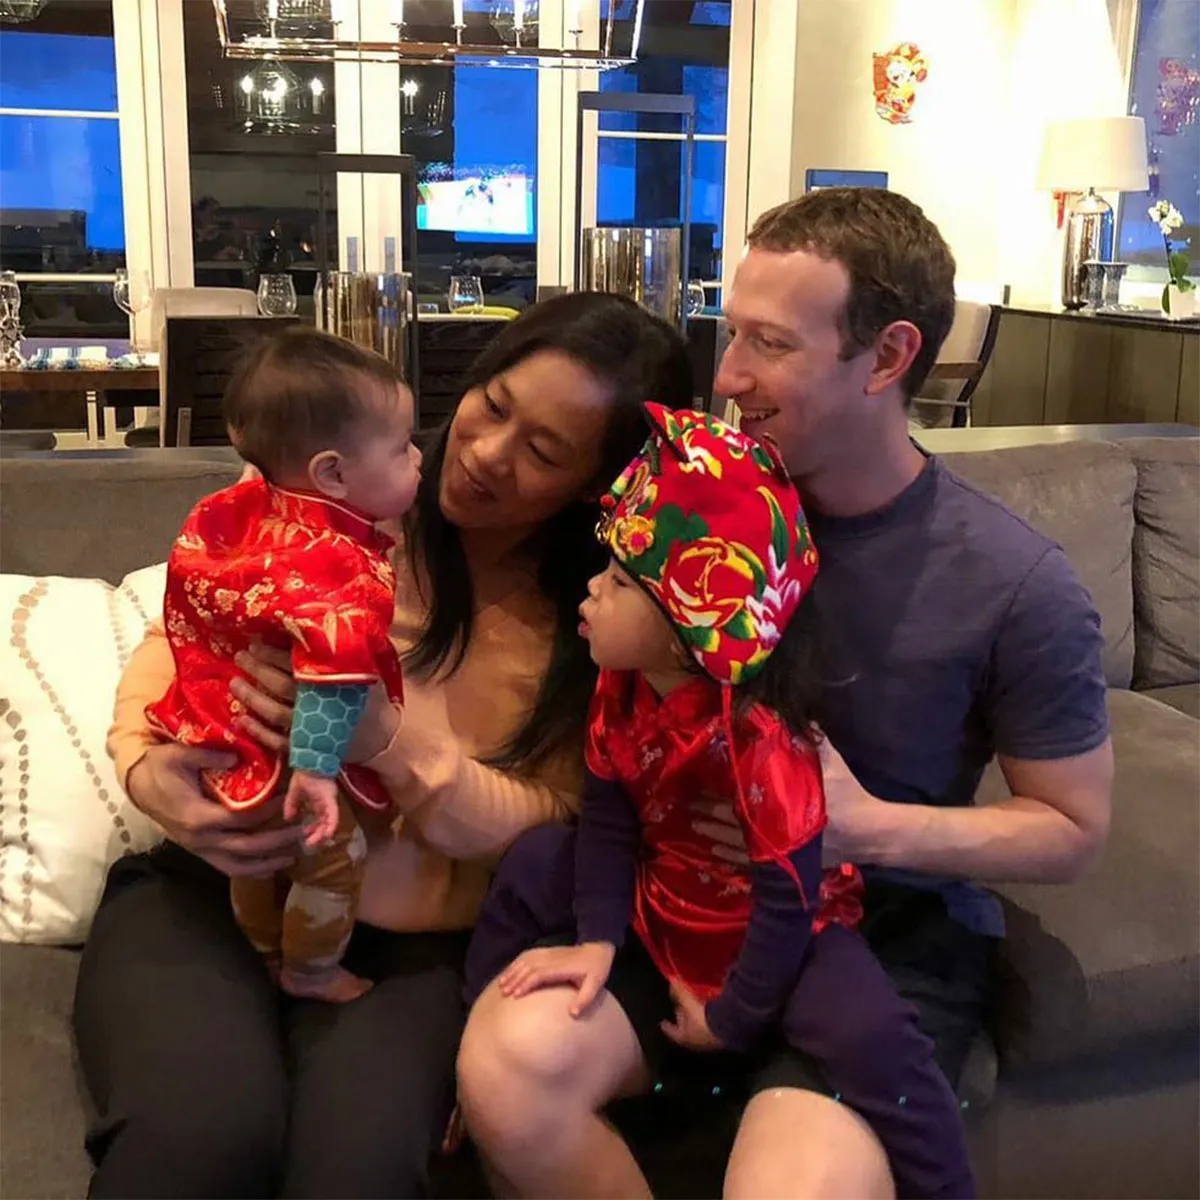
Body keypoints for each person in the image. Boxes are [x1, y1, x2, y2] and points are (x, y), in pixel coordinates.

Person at [456, 187, 1114, 1198]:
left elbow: (1072, 831)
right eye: (733, 334)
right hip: (672, 902)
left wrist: (865, 828)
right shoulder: (686, 503)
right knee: (509, 1070)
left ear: (887, 358)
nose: (727, 376)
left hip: (872, 938)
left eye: (770, 345)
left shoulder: (1013, 581)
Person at [72, 292, 696, 1199]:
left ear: (594, 486)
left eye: (543, 451)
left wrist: (390, 744)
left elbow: (558, 826)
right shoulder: (335, 485)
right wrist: (147, 768)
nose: (485, 453)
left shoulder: (602, 620)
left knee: (354, 1171)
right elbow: (181, 637)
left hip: (412, 948)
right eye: (493, 405)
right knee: (197, 1137)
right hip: (210, 887)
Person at [462, 403, 975, 1199]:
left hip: (782, 937)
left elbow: (788, 898)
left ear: (685, 631)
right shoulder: (619, 688)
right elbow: (607, 819)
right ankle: (463, 1072)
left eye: (619, 583)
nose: (590, 591)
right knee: (534, 863)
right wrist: (597, 939)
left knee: (876, 1040)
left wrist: (733, 1016)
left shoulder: (761, 743)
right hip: (664, 899)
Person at [147, 328, 419, 1004]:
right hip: (283, 762)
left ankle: (266, 951)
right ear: (333, 474)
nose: (420, 458)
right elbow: (334, 676)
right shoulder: (336, 564)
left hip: (216, 732)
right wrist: (318, 771)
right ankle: (311, 971)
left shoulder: (238, 514)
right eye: (403, 447)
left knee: (254, 859)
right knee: (333, 860)